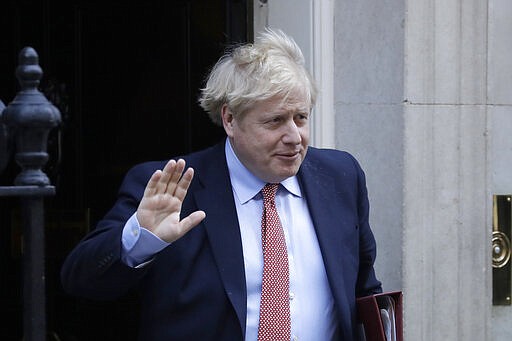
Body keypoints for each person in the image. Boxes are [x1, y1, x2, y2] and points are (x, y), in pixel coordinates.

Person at [61, 28, 382, 340]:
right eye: (275, 121)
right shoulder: (170, 187)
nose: (294, 137)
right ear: (230, 119)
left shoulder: (340, 176)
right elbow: (81, 280)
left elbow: (364, 291)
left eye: (301, 117)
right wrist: (140, 240)